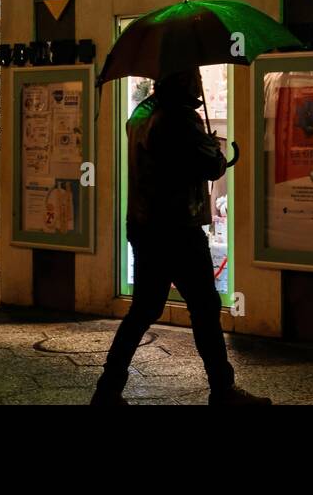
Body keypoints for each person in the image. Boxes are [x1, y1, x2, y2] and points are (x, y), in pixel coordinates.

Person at [91, 69, 270, 406]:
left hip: (145, 225)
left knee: (143, 310)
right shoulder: (179, 118)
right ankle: (222, 390)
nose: (198, 85)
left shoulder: (142, 113)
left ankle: (108, 388)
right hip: (179, 229)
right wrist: (215, 149)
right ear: (183, 81)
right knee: (205, 308)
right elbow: (210, 166)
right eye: (194, 79)